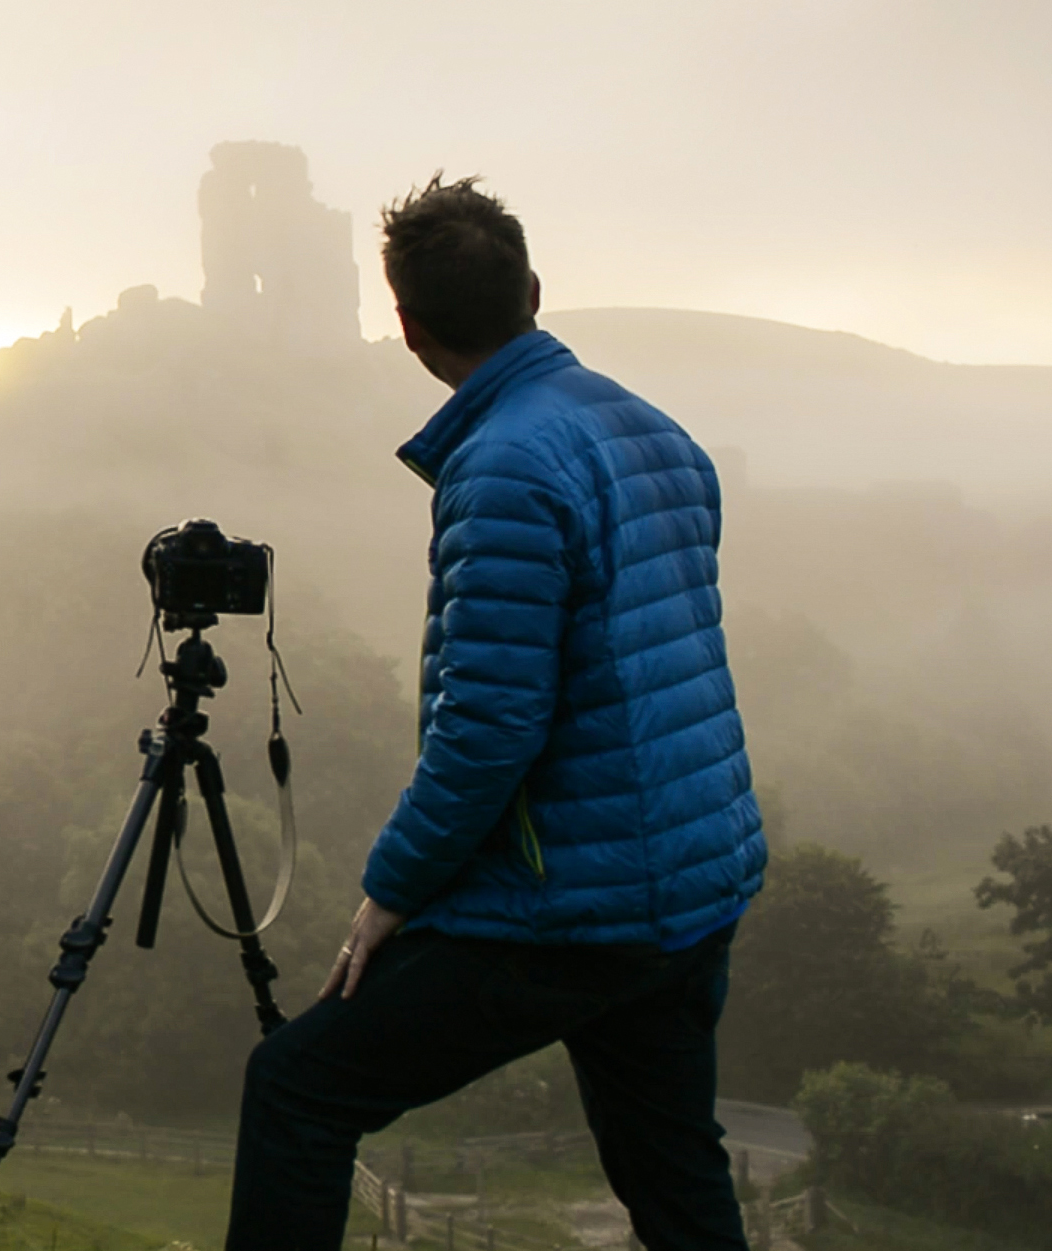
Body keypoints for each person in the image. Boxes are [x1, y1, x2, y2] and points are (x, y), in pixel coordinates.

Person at [225, 176, 767, 1251]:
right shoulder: (654, 430)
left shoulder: (504, 467)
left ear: (409, 329)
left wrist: (388, 891)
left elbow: (489, 729)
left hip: (575, 899)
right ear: (531, 288)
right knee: (671, 1168)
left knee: (297, 1089)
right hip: (693, 880)